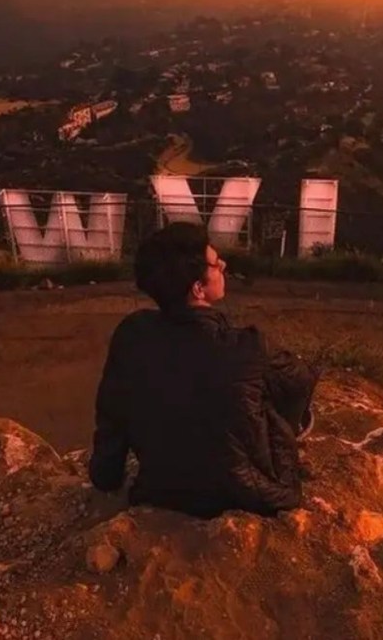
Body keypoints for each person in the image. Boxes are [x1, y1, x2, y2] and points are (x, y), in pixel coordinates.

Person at [88, 221, 318, 518]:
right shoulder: (249, 347)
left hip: (160, 490)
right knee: (267, 395)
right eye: (214, 263)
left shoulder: (131, 335)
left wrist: (106, 475)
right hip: (249, 496)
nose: (223, 263)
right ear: (197, 288)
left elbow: (112, 414)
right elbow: (301, 383)